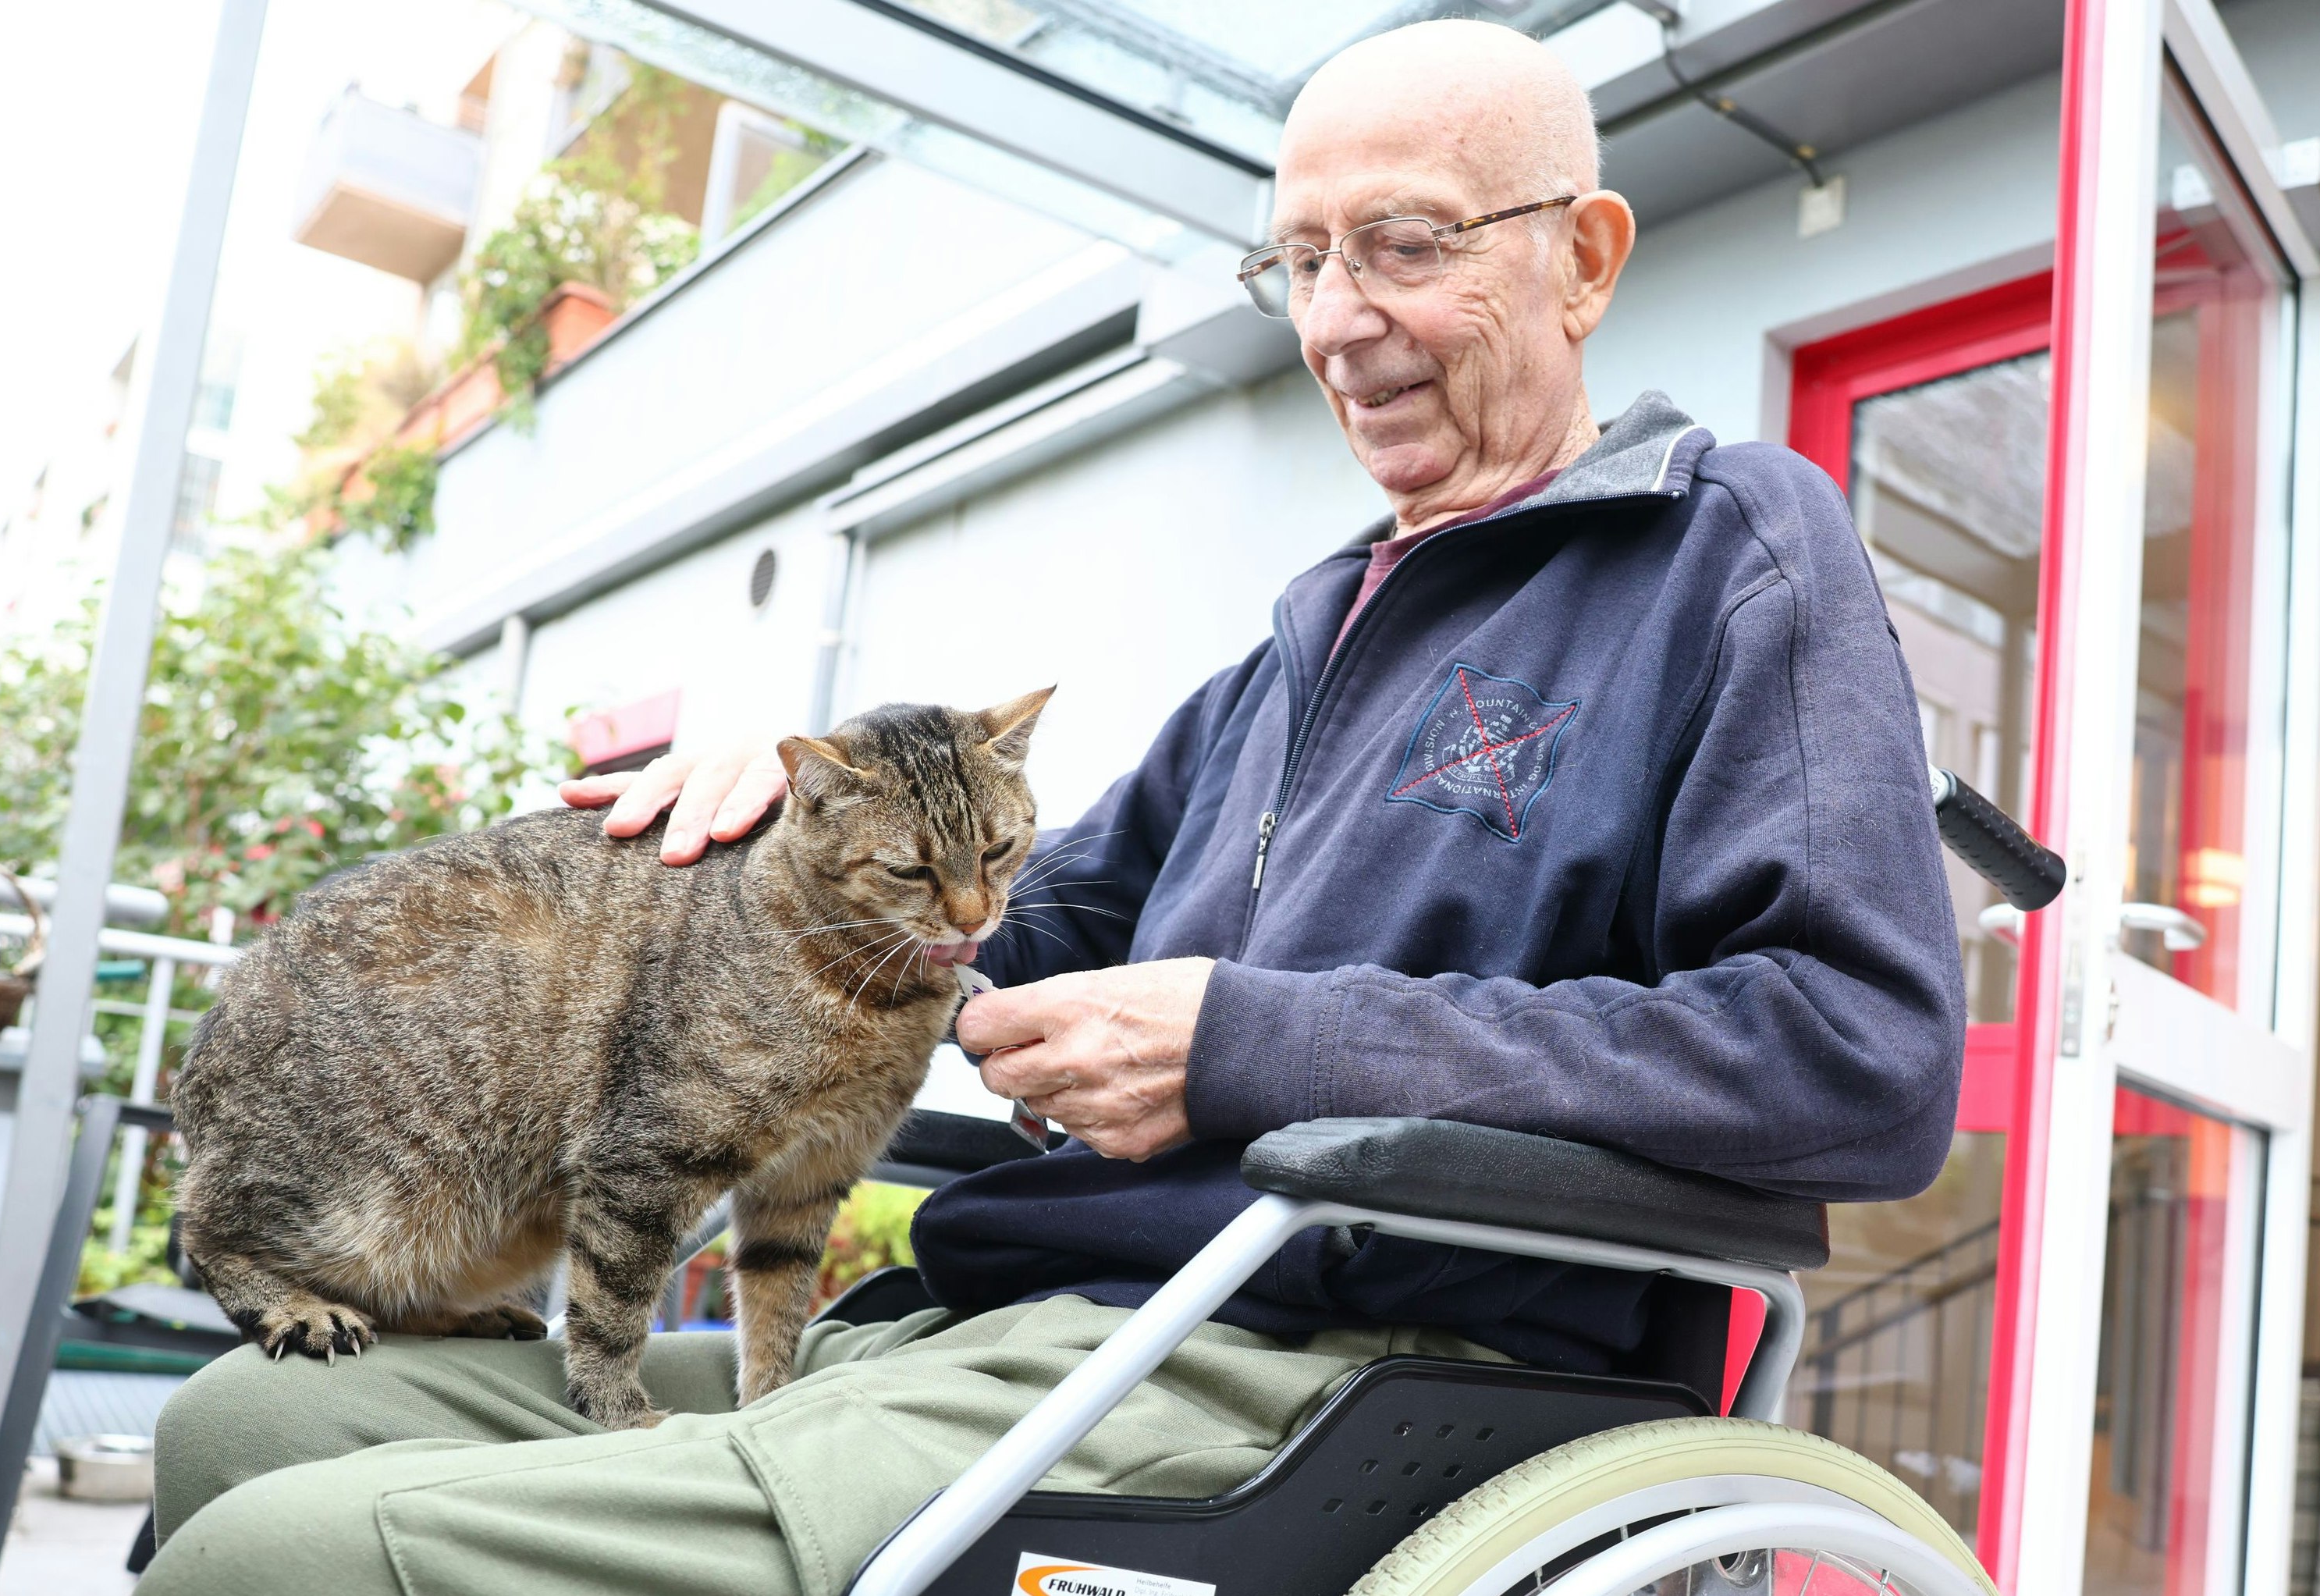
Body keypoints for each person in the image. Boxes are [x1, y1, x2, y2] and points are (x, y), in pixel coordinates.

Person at [140, 19, 1963, 1594]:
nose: (1339, 321)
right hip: (1031, 1322)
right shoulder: (1298, 648)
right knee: (256, 1416)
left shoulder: (1729, 552)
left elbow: (1855, 1059)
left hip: (1317, 1360)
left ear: (1584, 257)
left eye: (1403, 246)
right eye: (1301, 262)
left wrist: (1260, 1043)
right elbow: (993, 943)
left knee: (271, 1562)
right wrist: (786, 856)